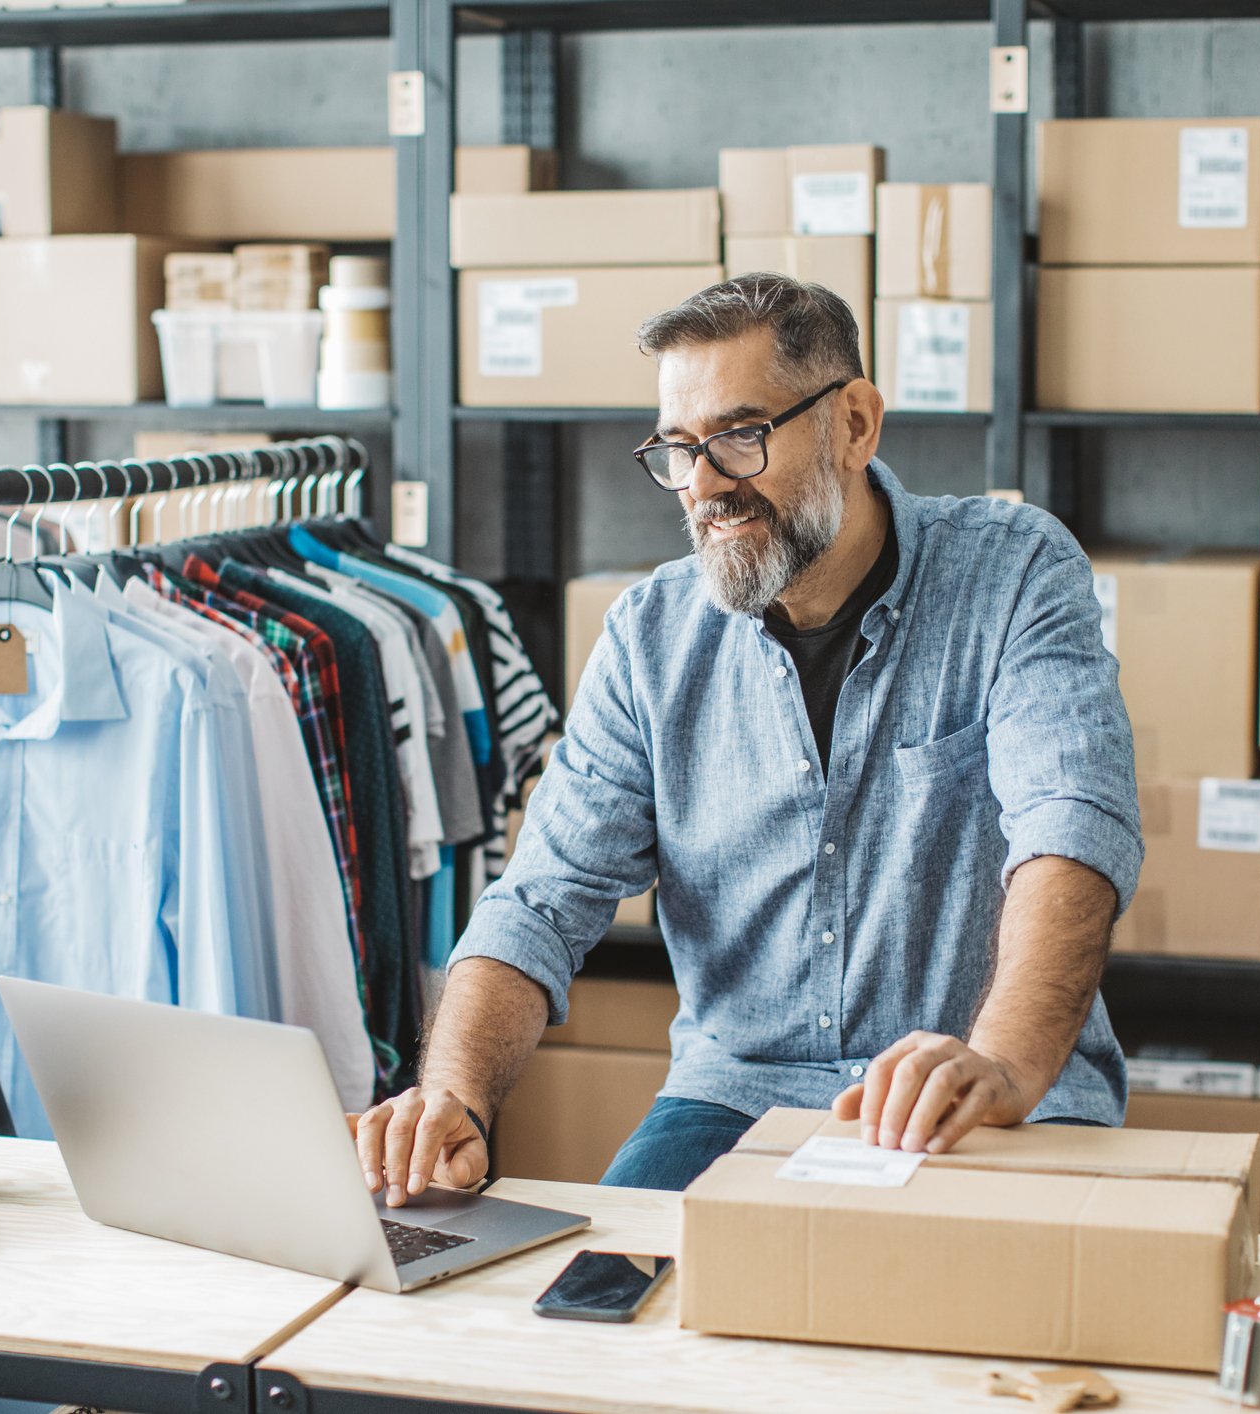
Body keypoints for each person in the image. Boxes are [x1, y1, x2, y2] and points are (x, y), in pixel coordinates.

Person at [354, 272, 1140, 1206]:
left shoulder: (1014, 572)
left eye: (739, 437)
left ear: (854, 423)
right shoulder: (650, 636)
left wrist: (1005, 1063)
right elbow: (540, 900)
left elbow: (1070, 830)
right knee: (606, 1310)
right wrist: (452, 1095)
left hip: (977, 1091)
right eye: (678, 450)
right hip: (736, 1101)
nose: (704, 487)